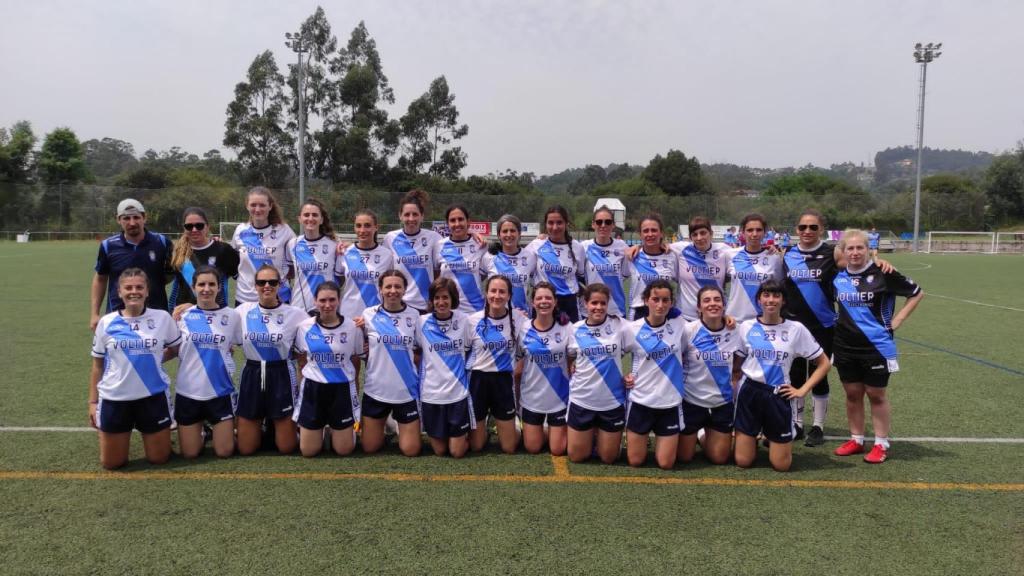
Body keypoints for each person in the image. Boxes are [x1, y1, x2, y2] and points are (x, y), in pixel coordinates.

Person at [832, 229, 923, 464]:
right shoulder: (838, 276)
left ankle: (881, 443)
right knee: (852, 394)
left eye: (859, 248)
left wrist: (898, 320)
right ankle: (857, 439)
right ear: (843, 251)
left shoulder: (883, 273)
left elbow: (916, 293)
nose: (854, 253)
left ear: (868, 250)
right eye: (850, 248)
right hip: (844, 345)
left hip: (876, 346)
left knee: (876, 394)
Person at [733, 280, 831, 472]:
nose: (771, 300)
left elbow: (824, 363)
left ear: (783, 301)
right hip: (750, 393)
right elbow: (737, 365)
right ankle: (753, 434)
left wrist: (802, 390)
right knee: (743, 461)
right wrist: (735, 386)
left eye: (776, 295)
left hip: (778, 395)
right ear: (759, 299)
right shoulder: (746, 326)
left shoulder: (796, 329)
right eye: (766, 295)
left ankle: (775, 434)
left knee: (781, 465)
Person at [89, 268, 180, 469]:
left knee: (159, 459)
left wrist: (152, 359)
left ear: (147, 291)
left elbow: (175, 349)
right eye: (128, 288)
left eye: (139, 287)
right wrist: (93, 402)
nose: (134, 291)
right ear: (119, 292)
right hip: (115, 398)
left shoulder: (162, 318)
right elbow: (97, 364)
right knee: (112, 464)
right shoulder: (107, 322)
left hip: (153, 396)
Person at [167, 265, 241, 459]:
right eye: (201, 284)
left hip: (220, 391)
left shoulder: (233, 316)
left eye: (211, 284)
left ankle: (225, 429)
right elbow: (173, 350)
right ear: (193, 288)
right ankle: (204, 432)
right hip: (188, 392)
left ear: (219, 287)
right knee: (190, 454)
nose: (206, 289)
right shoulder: (182, 316)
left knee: (224, 452)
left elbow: (240, 345)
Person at [234, 264, 308, 455]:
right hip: (252, 373)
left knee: (286, 448)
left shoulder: (295, 314)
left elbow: (322, 325)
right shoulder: (242, 311)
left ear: (280, 284)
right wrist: (187, 307)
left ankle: (283, 427)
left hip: (281, 374)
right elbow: (215, 316)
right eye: (261, 282)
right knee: (246, 449)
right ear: (255, 285)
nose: (267, 286)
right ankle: (260, 425)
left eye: (272, 282)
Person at [293, 281, 364, 457]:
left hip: (341, 389)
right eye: (322, 300)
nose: (327, 305)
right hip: (313, 389)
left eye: (332, 300)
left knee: (344, 450)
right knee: (309, 452)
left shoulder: (352, 327)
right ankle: (320, 430)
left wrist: (355, 389)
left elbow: (356, 360)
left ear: (339, 301)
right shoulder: (304, 327)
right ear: (315, 301)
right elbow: (301, 361)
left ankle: (338, 430)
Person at [622, 279, 687, 469]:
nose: (660, 305)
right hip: (641, 399)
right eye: (655, 299)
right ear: (645, 300)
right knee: (635, 461)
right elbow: (614, 353)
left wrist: (727, 319)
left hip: (670, 400)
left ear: (671, 303)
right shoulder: (631, 329)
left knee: (666, 464)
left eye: (665, 300)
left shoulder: (679, 324)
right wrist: (624, 376)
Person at [359, 270, 422, 456]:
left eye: (397, 286)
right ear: (380, 290)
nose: (392, 291)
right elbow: (362, 346)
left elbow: (419, 350)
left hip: (405, 391)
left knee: (411, 450)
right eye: (388, 286)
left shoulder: (415, 316)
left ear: (404, 290)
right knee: (370, 448)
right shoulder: (368, 315)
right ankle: (386, 423)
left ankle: (395, 423)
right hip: (376, 390)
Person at [678, 285, 742, 465]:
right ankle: (699, 432)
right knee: (683, 458)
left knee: (720, 458)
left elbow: (738, 365)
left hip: (721, 403)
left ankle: (705, 434)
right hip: (691, 401)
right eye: (706, 301)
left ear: (724, 305)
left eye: (717, 300)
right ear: (698, 307)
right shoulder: (688, 330)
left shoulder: (736, 331)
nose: (712, 304)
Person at [566, 284, 628, 464]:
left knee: (609, 458)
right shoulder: (575, 329)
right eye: (594, 303)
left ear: (608, 304)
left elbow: (641, 347)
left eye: (603, 303)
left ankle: (603, 437)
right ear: (585, 303)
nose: (598, 307)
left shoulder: (620, 325)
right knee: (577, 457)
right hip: (582, 399)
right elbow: (569, 355)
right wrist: (571, 365)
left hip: (612, 401)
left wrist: (632, 374)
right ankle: (592, 435)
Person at [91, 199, 172, 330]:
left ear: (144, 217)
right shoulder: (108, 246)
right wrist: (94, 314)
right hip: (118, 314)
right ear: (118, 219)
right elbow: (100, 278)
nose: (132, 223)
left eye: (136, 217)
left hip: (156, 314)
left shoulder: (161, 242)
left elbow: (175, 271)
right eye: (126, 218)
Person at [417, 278, 474, 458]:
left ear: (453, 299)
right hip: (431, 395)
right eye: (437, 298)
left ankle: (477, 434)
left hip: (457, 393)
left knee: (456, 452)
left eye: (445, 298)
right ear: (431, 300)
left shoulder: (464, 320)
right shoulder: (420, 322)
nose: (441, 302)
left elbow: (473, 345)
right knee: (440, 451)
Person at [516, 282, 573, 455]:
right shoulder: (523, 328)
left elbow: (573, 360)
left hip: (559, 399)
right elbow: (518, 364)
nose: (544, 301)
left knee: (558, 449)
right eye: (539, 298)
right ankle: (527, 428)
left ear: (555, 302)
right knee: (533, 448)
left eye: (548, 298)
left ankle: (565, 430)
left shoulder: (566, 328)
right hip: (532, 399)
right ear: (533, 302)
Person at [467, 275, 520, 453]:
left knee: (509, 447)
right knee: (476, 446)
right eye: (493, 291)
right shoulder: (472, 320)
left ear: (509, 296)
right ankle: (483, 429)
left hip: (503, 381)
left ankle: (516, 425)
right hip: (478, 380)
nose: (497, 296)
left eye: (502, 292)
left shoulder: (518, 319)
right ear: (486, 293)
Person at [231, 186, 295, 306]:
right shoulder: (241, 230)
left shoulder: (284, 230)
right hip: (246, 299)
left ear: (270, 206)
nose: (257, 209)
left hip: (278, 298)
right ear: (247, 206)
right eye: (253, 205)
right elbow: (232, 259)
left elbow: (297, 259)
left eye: (262, 205)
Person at [383, 189, 443, 313]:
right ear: (400, 216)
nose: (411, 218)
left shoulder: (434, 238)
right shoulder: (390, 238)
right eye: (406, 214)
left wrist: (472, 232)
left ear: (422, 216)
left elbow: (438, 271)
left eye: (415, 214)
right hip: (400, 305)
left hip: (426, 306)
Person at [168, 207, 239, 310]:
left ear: (207, 226)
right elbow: (175, 288)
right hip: (185, 315)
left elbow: (242, 278)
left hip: (216, 314)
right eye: (189, 226)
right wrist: (172, 310)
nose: (194, 230)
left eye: (199, 226)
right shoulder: (178, 252)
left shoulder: (223, 250)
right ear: (184, 228)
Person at [527, 206, 586, 323]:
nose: (555, 227)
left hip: (569, 304)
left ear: (566, 224)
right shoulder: (536, 245)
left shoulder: (577, 248)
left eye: (559, 222)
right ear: (545, 224)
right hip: (543, 302)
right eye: (551, 223)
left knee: (570, 340)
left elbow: (580, 275)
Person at [671, 216, 730, 321]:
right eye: (695, 234)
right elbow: (657, 246)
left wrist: (768, 250)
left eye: (703, 233)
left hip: (715, 317)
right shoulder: (680, 249)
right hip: (686, 318)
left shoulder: (724, 250)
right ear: (690, 237)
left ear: (711, 233)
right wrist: (636, 247)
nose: (699, 238)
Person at [726, 213, 783, 323]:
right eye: (750, 230)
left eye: (759, 230)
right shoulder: (730, 255)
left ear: (765, 233)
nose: (754, 234)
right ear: (742, 232)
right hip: (734, 320)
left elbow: (779, 289)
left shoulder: (773, 258)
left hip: (763, 320)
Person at [286, 198, 340, 314]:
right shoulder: (292, 244)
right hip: (299, 307)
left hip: (326, 306)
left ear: (321, 220)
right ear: (300, 219)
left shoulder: (334, 244)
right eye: (306, 215)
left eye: (315, 215)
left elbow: (340, 277)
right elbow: (289, 273)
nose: (310, 218)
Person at [338, 209, 393, 320]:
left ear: (376, 227)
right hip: (349, 314)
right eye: (358, 226)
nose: (362, 230)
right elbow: (337, 282)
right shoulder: (345, 252)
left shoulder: (387, 255)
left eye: (367, 226)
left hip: (376, 314)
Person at [435, 205, 488, 315]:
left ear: (468, 221)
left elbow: (482, 275)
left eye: (461, 219)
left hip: (475, 310)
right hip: (449, 310)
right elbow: (436, 276)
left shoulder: (480, 245)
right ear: (447, 223)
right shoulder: (439, 246)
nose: (457, 224)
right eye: (452, 220)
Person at [580, 206, 631, 319]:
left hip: (616, 309)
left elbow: (625, 275)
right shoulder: (583, 247)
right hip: (591, 310)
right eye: (599, 222)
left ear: (613, 225)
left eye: (607, 222)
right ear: (593, 224)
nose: (603, 225)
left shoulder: (622, 247)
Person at [484, 214, 536, 318]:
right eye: (504, 231)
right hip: (495, 317)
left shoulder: (530, 257)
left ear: (519, 233)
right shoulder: (489, 257)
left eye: (512, 231)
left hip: (523, 316)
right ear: (499, 235)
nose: (509, 234)